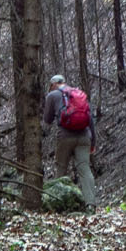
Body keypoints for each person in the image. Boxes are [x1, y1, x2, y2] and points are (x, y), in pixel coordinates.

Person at [42, 73, 98, 206]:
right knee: (84, 169)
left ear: (53, 84)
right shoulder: (79, 94)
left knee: (61, 167)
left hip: (65, 136)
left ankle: (58, 203)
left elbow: (47, 119)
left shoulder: (52, 95)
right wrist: (93, 142)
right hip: (85, 135)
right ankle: (91, 204)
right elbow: (90, 120)